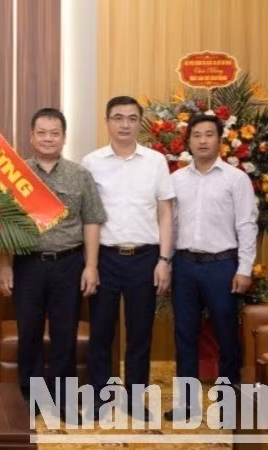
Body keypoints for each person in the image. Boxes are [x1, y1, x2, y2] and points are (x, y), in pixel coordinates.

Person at [0, 108, 106, 423]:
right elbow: (3, 225)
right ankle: (29, 400)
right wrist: (4, 267)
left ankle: (63, 401)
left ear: (63, 137)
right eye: (41, 132)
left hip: (69, 264)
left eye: (54, 133)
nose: (48, 138)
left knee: (64, 334)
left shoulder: (79, 174)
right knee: (28, 333)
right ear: (31, 136)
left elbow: (92, 221)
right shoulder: (15, 174)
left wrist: (91, 266)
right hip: (27, 265)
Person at [81, 96, 174, 420]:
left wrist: (164, 260)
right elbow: (87, 217)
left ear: (139, 123)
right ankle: (100, 398)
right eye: (118, 118)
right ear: (107, 122)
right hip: (105, 257)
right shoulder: (91, 162)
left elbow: (165, 213)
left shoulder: (155, 161)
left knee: (139, 334)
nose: (124, 124)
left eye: (132, 118)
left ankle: (135, 399)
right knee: (102, 332)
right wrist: (90, 264)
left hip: (145, 258)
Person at [165, 114, 258, 421]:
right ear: (188, 141)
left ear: (220, 140)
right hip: (185, 266)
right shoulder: (175, 180)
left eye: (209, 134)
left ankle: (229, 404)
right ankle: (186, 405)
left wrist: (244, 268)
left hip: (223, 266)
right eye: (196, 135)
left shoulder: (236, 179)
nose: (203, 140)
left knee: (227, 335)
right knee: (185, 334)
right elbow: (170, 225)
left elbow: (247, 225)